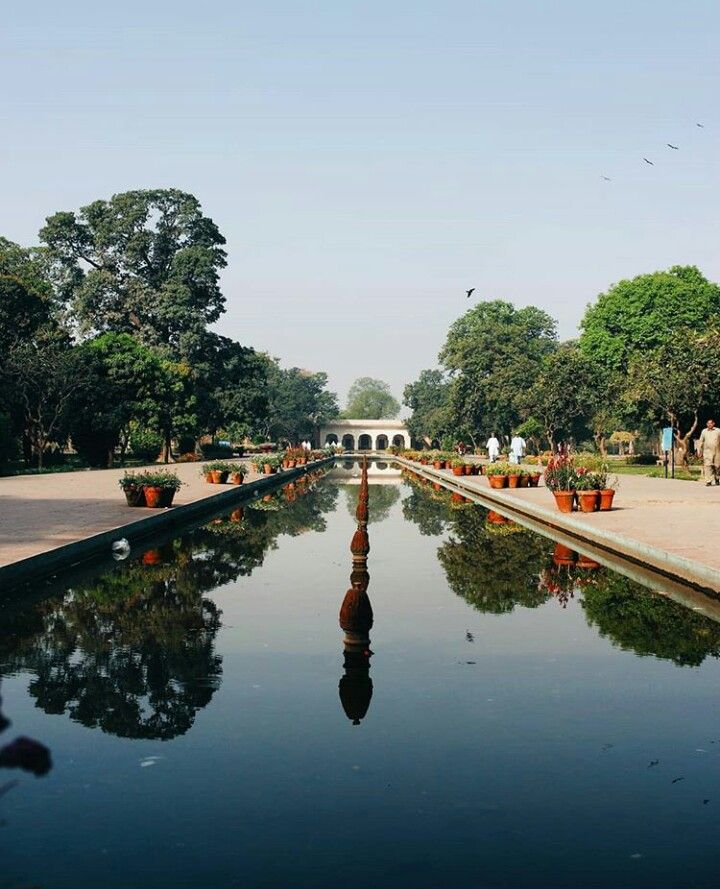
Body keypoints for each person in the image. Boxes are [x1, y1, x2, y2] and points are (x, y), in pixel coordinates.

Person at [697, 419, 720, 486]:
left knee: (717, 466)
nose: (709, 425)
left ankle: (717, 478)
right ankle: (708, 481)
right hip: (707, 452)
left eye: (711, 423)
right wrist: (699, 450)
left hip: (717, 451)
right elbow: (701, 441)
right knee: (707, 465)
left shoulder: (718, 430)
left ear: (713, 424)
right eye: (708, 423)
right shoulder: (704, 431)